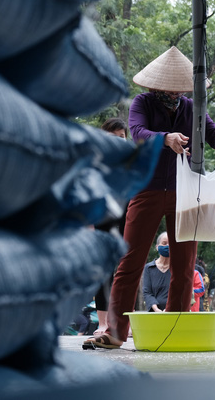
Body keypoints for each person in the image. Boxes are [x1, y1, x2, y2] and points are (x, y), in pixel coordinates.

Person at [84, 46, 215, 349]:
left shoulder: (191, 107)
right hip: (147, 189)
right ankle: (114, 331)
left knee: (184, 263)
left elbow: (211, 128)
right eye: (171, 86)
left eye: (180, 87)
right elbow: (137, 131)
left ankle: (174, 326)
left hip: (186, 193)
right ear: (157, 84)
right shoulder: (143, 102)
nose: (175, 91)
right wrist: (166, 138)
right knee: (130, 260)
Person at [92, 117, 130, 335]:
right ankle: (103, 323)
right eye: (112, 136)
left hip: (128, 217)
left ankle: (124, 323)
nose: (117, 141)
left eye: (121, 137)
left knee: (127, 269)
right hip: (102, 219)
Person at [142, 232, 171, 312]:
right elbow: (147, 292)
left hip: (173, 313)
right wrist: (156, 309)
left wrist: (169, 308)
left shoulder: (177, 268)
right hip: (154, 314)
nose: (167, 246)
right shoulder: (149, 268)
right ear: (157, 247)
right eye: (164, 243)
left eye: (170, 244)